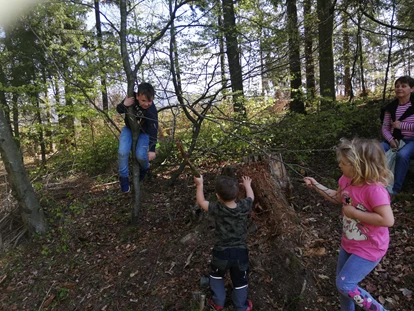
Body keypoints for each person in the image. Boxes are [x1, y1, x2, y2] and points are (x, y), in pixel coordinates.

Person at [304, 137, 394, 311]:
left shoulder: (374, 190)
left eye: (344, 163)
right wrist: (316, 185)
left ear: (358, 166)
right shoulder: (346, 180)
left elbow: (387, 220)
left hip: (371, 247)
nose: (340, 165)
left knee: (345, 285)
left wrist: (355, 213)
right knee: (343, 287)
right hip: (350, 242)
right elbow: (337, 197)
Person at [194, 174, 254, 311]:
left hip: (221, 253)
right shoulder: (243, 206)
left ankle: (218, 302)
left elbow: (202, 202)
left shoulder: (217, 209)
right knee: (240, 281)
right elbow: (251, 198)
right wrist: (248, 185)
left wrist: (199, 185)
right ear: (237, 194)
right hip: (240, 253)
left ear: (218, 196)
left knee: (216, 276)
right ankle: (241, 306)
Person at [116, 82, 158, 193]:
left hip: (144, 132)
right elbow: (119, 109)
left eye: (150, 101)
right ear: (137, 96)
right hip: (129, 129)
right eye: (143, 100)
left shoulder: (151, 109)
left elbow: (154, 128)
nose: (147, 104)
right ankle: (124, 178)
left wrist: (152, 149)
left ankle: (145, 168)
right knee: (122, 152)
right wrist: (124, 104)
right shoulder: (131, 98)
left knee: (140, 156)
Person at [381, 75, 414, 194]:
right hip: (394, 139)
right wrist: (390, 140)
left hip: (411, 141)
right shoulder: (391, 108)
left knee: (402, 155)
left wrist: (402, 126)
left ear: (412, 89)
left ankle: (395, 189)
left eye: (404, 86)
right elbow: (385, 127)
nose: (399, 88)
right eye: (397, 86)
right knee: (377, 150)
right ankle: (375, 183)